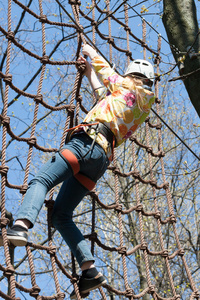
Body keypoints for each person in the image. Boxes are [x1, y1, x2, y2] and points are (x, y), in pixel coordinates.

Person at [0, 44, 155, 299]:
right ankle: (89, 270)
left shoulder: (127, 86)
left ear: (132, 76)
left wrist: (90, 51)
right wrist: (88, 75)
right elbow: (103, 97)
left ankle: (21, 226)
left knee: (41, 180)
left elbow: (107, 73)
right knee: (61, 216)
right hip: (100, 160)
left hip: (87, 143)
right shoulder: (141, 104)